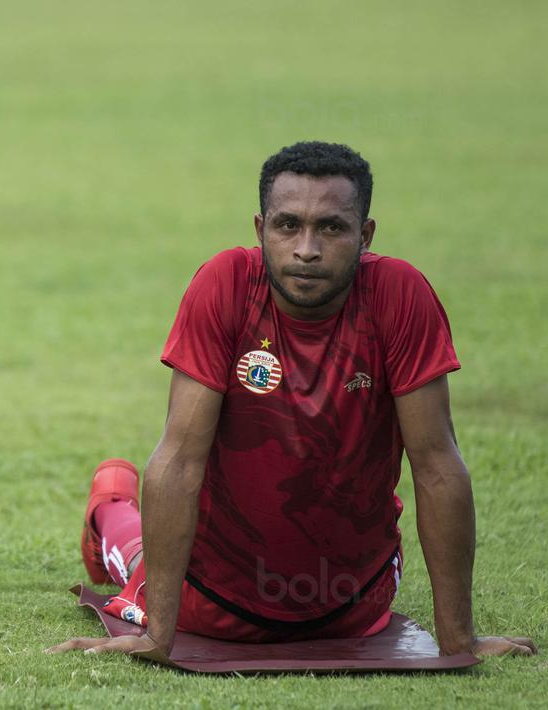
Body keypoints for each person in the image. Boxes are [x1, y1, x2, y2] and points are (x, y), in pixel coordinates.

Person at [49, 142, 536, 662]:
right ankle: (110, 504)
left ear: (365, 235)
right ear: (260, 230)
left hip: (355, 606)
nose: (307, 249)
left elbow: (439, 466)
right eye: (287, 226)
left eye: (331, 227)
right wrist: (157, 635)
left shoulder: (401, 295)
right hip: (208, 601)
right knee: (137, 548)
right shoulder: (226, 285)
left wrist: (459, 641)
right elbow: (179, 459)